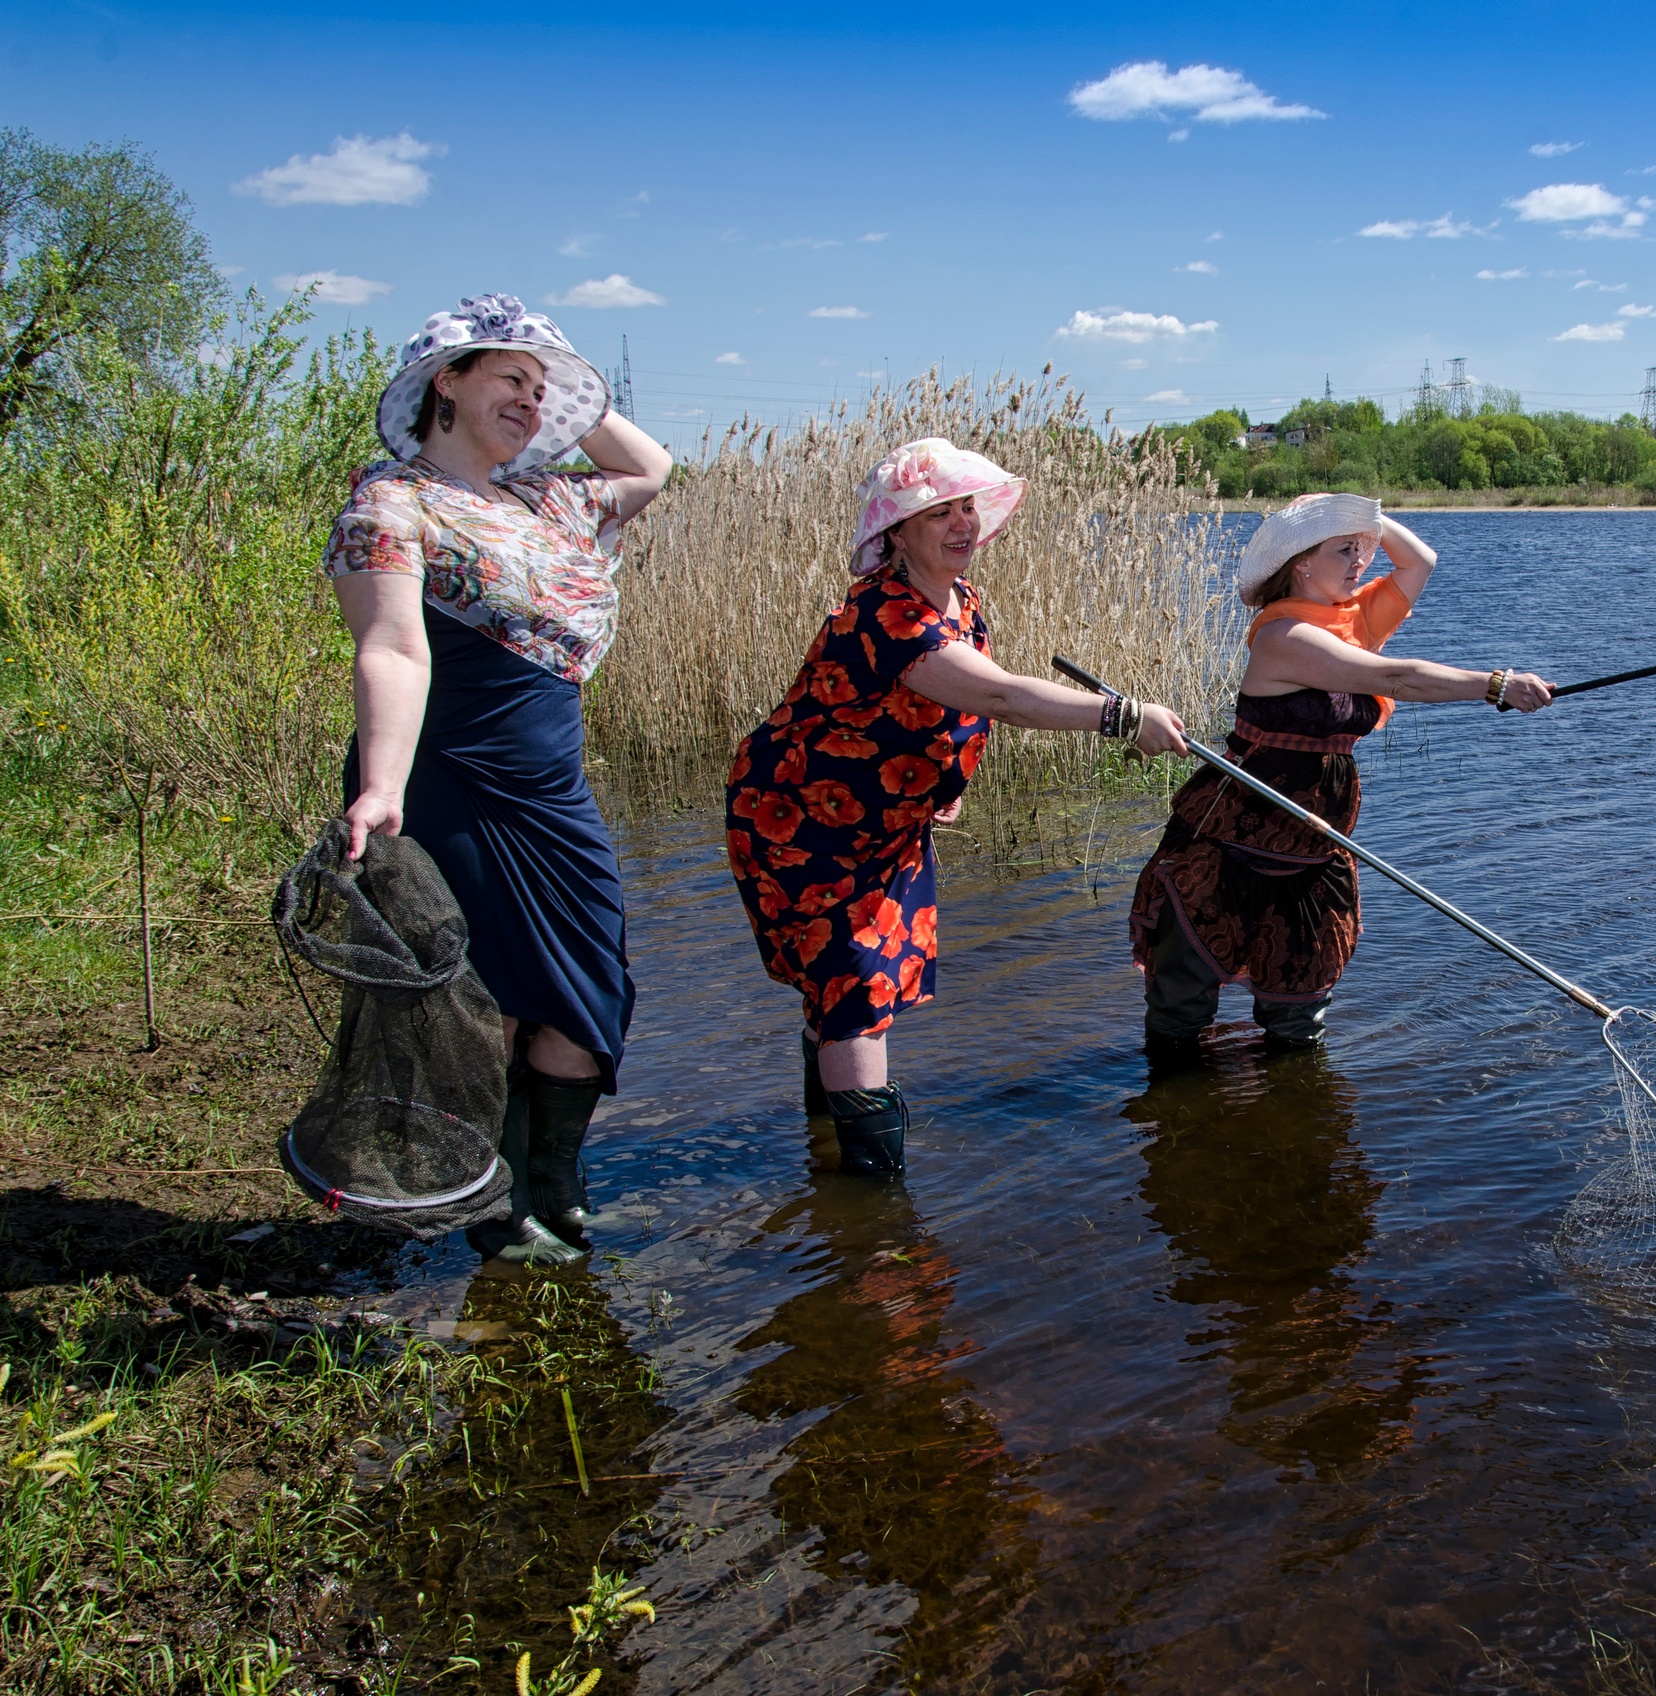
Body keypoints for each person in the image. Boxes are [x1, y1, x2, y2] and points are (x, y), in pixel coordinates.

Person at [727, 437, 1185, 1179]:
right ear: (896, 534)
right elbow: (1001, 694)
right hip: (806, 824)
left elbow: (959, 710)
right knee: (856, 991)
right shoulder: (884, 612)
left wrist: (947, 785)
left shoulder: (962, 602)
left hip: (883, 825)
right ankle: (874, 1196)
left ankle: (831, 1165)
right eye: (938, 512)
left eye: (967, 507)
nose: (962, 523)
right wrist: (1122, 715)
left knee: (842, 990)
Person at [326, 294, 672, 1265]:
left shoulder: (550, 499)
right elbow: (393, 649)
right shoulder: (392, 500)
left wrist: (564, 387)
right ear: (447, 379)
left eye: (540, 387)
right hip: (454, 778)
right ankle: (503, 1210)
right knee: (494, 1000)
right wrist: (382, 788)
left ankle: (554, 1193)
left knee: (589, 988)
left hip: (550, 788)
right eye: (508, 379)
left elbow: (648, 467)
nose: (530, 399)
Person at [1128, 493, 1553, 1048]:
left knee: (1299, 1012)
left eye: (1363, 550)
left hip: (1312, 842)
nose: (1361, 560)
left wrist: (1357, 517)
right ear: (1301, 561)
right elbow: (1400, 678)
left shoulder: (1351, 621)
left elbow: (1419, 561)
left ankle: (1295, 1113)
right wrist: (1495, 685)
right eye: (1343, 549)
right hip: (1233, 837)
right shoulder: (1284, 635)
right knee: (1182, 1007)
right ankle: (1172, 1109)